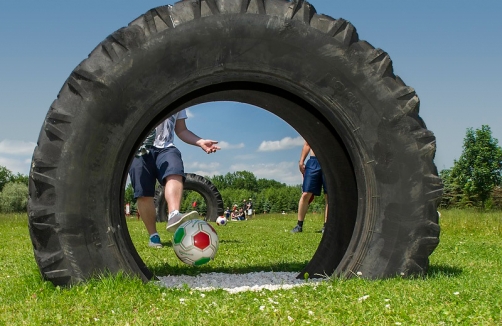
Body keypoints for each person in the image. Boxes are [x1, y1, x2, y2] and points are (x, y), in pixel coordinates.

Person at [129, 110, 220, 248]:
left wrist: (200, 142)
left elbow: (181, 130)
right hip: (139, 148)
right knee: (143, 192)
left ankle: (174, 215)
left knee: (174, 169)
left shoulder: (176, 98)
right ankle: (153, 236)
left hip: (166, 148)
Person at [291, 141, 328, 233]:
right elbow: (307, 144)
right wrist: (301, 161)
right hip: (313, 161)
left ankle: (326, 226)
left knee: (328, 195)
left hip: (328, 161)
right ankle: (299, 225)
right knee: (306, 194)